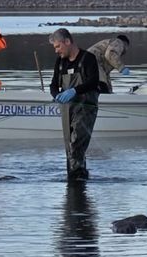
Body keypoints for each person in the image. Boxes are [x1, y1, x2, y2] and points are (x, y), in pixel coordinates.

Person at [49, 28, 100, 182]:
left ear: (68, 42)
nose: (57, 51)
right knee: (68, 145)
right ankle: (76, 177)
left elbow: (93, 82)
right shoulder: (60, 62)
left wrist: (74, 91)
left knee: (77, 141)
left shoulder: (88, 58)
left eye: (58, 47)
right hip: (67, 109)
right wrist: (56, 95)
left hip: (86, 107)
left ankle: (77, 178)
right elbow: (53, 85)